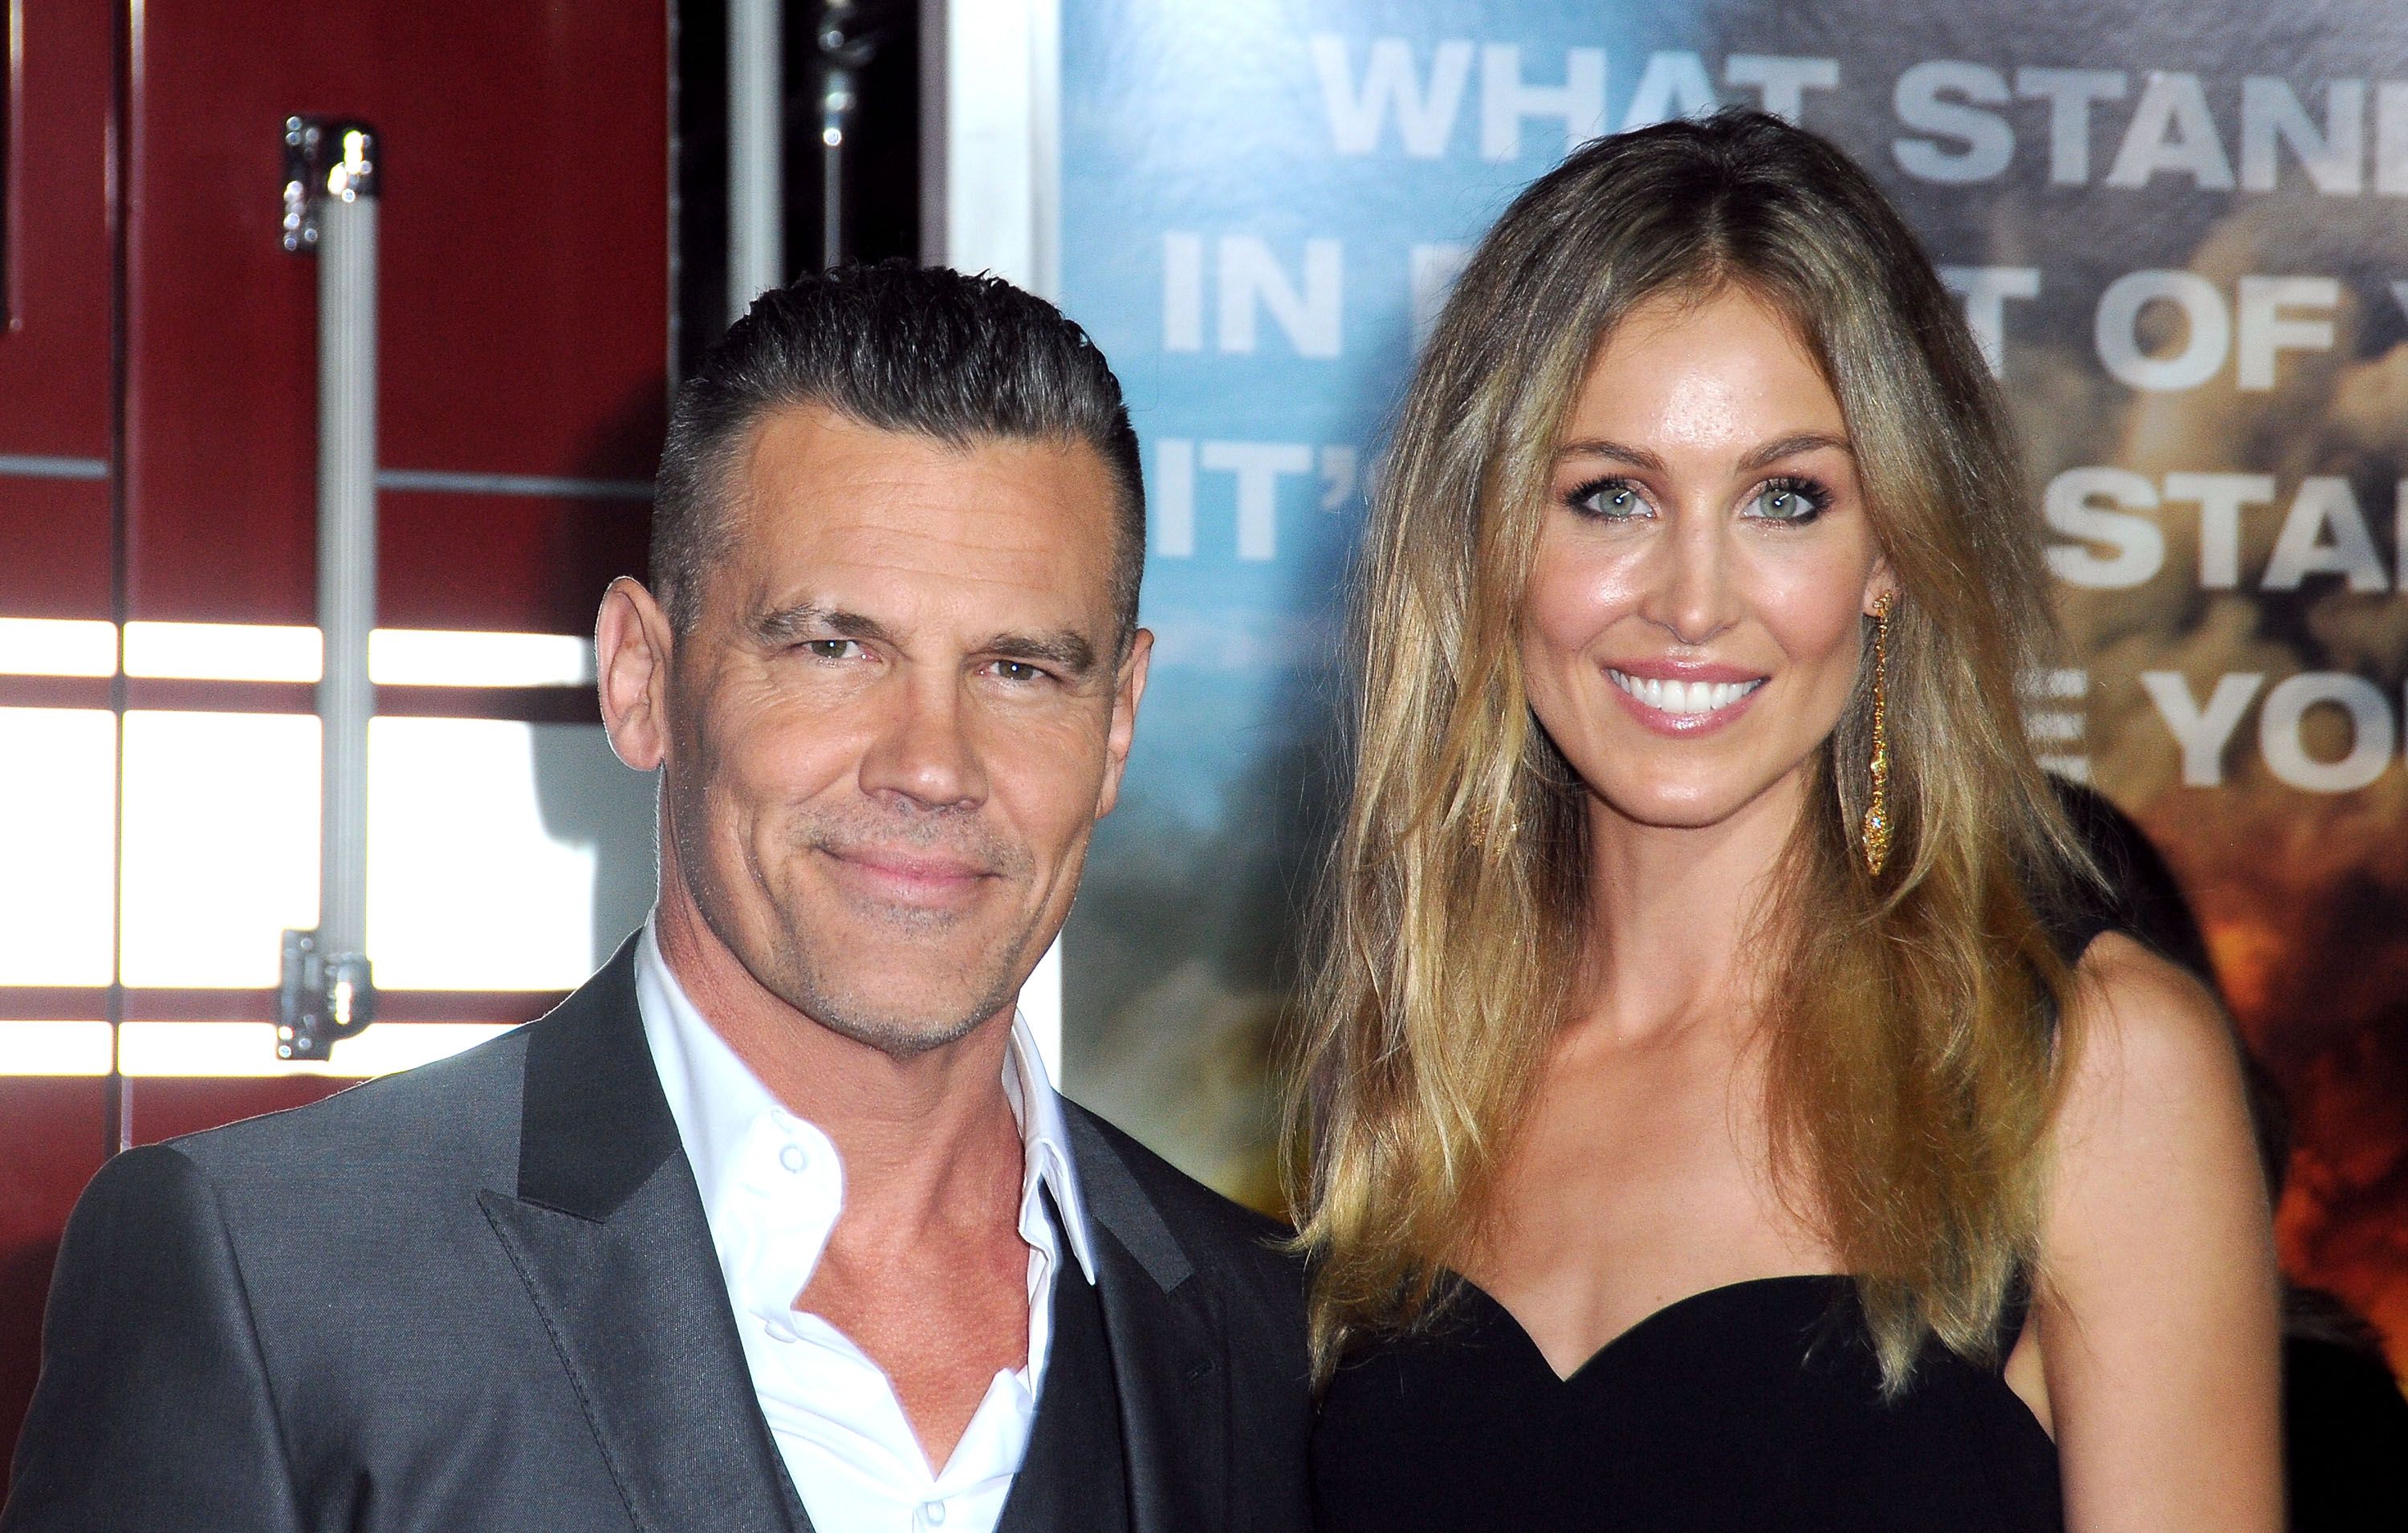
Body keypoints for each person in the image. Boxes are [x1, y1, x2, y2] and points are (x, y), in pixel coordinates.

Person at [3, 262, 1311, 1533]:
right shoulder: (271, 1285)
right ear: (640, 676)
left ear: (1120, 720)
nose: (932, 763)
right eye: (834, 648)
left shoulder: (1286, 1338)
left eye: (1022, 669)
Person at [1296, 111, 2280, 1531]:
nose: (1693, 601)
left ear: (1889, 551)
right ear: (1490, 538)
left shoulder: (2089, 1071)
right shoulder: (1412, 1076)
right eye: (1610, 493)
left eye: (1783, 497)